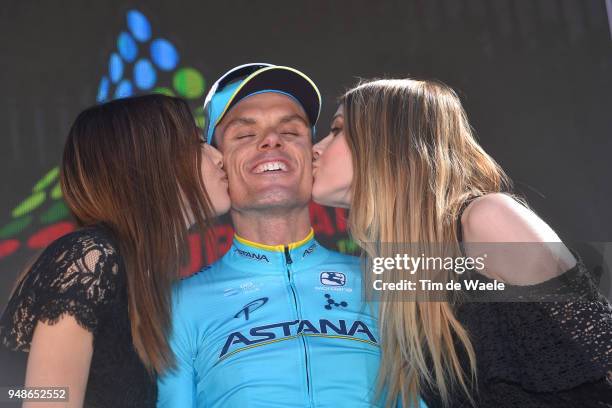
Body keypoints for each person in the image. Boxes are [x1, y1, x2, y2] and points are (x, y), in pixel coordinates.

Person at [312, 78, 612, 407]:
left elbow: (602, 352)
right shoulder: (403, 274)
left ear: (387, 141)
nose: (317, 147)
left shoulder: (488, 219)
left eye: (338, 130)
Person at [156, 63, 381, 407]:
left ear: (313, 153)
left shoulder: (388, 279)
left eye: (291, 132)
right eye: (245, 135)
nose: (272, 140)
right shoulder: (176, 304)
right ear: (218, 162)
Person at [0, 94, 230, 408]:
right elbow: (46, 399)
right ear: (150, 163)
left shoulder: (135, 271)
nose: (218, 157)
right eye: (197, 144)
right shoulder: (91, 257)